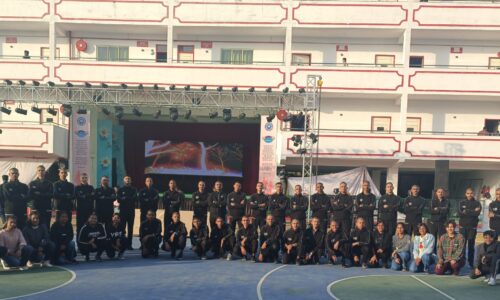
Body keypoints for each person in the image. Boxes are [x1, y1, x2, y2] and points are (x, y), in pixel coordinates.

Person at [458, 187, 482, 267]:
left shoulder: (477, 203)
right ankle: (462, 261)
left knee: (471, 245)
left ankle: (471, 263)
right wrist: (472, 211)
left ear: (473, 194)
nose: (469, 195)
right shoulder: (461, 203)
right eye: (468, 193)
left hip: (472, 228)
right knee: (462, 245)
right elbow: (460, 214)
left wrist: (467, 211)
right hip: (462, 227)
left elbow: (477, 214)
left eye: (471, 193)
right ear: (465, 194)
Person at [116, 175, 137, 250]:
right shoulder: (120, 189)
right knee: (122, 228)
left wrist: (125, 198)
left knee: (130, 229)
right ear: (123, 181)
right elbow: (118, 199)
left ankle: (129, 245)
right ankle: (122, 244)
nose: (127, 180)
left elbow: (135, 199)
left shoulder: (134, 189)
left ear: (131, 181)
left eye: (129, 179)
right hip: (123, 211)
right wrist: (127, 198)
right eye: (126, 179)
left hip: (131, 211)